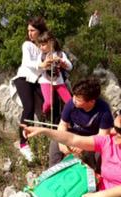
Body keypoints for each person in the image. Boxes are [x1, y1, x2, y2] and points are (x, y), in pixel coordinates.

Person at [22, 112, 121, 197]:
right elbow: (73, 139)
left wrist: (101, 196)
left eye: (119, 130)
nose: (112, 131)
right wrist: (44, 131)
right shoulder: (108, 141)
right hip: (98, 195)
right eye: (114, 126)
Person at [51, 79, 112, 168]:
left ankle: (97, 176)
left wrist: (83, 146)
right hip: (73, 135)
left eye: (79, 99)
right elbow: (63, 125)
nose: (74, 100)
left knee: (102, 152)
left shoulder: (104, 110)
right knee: (55, 141)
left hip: (92, 139)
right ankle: (52, 171)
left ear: (91, 101)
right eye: (74, 96)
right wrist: (62, 142)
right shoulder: (71, 103)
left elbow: (103, 136)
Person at [15, 17, 50, 161]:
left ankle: (47, 138)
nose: (29, 33)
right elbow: (27, 62)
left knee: (45, 108)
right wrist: (41, 65)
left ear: (39, 31)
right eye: (28, 30)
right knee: (28, 107)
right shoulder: (27, 45)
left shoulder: (44, 47)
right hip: (23, 79)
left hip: (38, 81)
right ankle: (23, 144)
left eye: (32, 30)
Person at [36, 32, 73, 116]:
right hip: (46, 81)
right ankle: (44, 113)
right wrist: (44, 64)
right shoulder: (41, 56)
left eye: (43, 45)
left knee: (70, 103)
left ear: (51, 42)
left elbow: (70, 67)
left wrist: (61, 62)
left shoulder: (60, 54)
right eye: (40, 45)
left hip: (58, 82)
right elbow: (37, 67)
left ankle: (67, 119)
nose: (41, 47)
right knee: (49, 103)